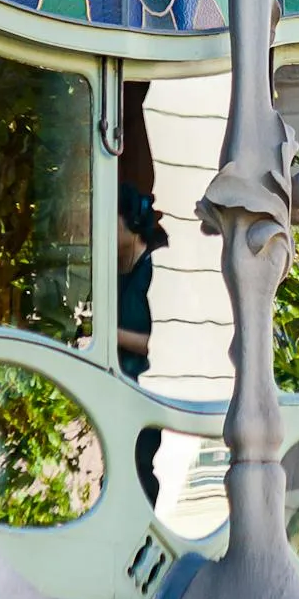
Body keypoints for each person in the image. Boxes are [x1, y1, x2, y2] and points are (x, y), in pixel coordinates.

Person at [117, 181, 168, 506]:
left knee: (138, 478)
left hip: (144, 396)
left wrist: (108, 335)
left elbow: (158, 343)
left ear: (131, 225)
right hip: (119, 392)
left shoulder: (153, 272)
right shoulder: (114, 272)